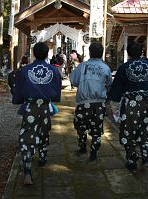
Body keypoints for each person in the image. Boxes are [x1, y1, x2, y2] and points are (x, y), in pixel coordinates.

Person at [12, 42, 62, 185]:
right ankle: (42, 158)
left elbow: (18, 93)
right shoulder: (53, 71)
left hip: (29, 107)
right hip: (45, 106)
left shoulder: (24, 70)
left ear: (33, 53)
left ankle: (27, 171)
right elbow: (57, 95)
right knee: (44, 131)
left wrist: (18, 100)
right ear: (47, 54)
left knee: (27, 136)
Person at [107, 42, 148, 171]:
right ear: (142, 52)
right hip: (147, 103)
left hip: (130, 104)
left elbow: (116, 90)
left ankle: (132, 158)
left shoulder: (124, 68)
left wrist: (113, 103)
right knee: (144, 127)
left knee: (129, 130)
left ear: (128, 53)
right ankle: (145, 151)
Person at [70, 43, 113, 161]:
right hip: (99, 102)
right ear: (102, 53)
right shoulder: (105, 68)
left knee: (80, 125)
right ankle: (94, 150)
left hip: (83, 101)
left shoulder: (82, 66)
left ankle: (82, 146)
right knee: (97, 127)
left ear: (90, 52)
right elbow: (109, 85)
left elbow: (74, 81)